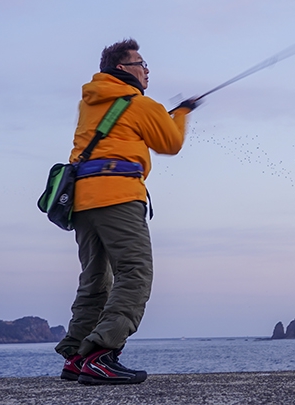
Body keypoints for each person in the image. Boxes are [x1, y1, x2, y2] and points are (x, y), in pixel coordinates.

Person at [55, 38, 196, 386]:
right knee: (135, 272)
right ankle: (102, 354)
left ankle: (76, 357)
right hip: (118, 195)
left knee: (95, 280)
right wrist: (180, 113)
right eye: (141, 63)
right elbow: (171, 143)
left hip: (82, 201)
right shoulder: (139, 103)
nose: (147, 70)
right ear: (123, 68)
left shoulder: (90, 102)